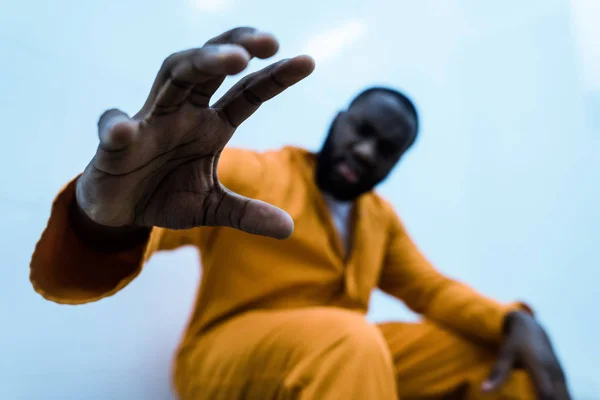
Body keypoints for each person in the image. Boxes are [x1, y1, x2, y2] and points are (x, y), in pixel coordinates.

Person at [30, 27, 571, 400]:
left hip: (339, 361)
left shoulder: (377, 219)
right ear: (338, 122)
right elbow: (138, 221)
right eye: (361, 131)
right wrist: (101, 219)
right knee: (350, 337)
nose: (366, 151)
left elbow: (430, 289)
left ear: (395, 163)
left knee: (493, 357)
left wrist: (513, 319)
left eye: (385, 149)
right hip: (224, 360)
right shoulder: (255, 174)